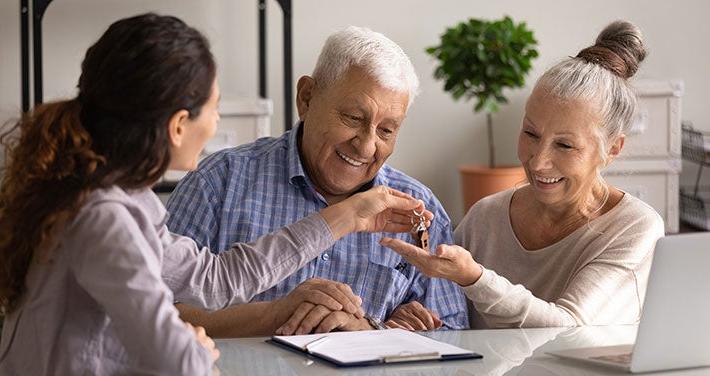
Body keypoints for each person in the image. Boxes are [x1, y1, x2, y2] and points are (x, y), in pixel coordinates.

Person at [0, 14, 434, 375]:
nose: (217, 122)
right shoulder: (106, 217)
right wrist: (196, 347)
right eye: (216, 106)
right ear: (178, 125)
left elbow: (217, 278)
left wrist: (349, 217)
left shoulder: (127, 202)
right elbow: (173, 356)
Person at [166, 26, 469, 336]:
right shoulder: (218, 182)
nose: (365, 146)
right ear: (306, 98)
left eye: (386, 131)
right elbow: (150, 318)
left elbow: (458, 341)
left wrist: (371, 331)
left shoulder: (420, 210)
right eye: (353, 118)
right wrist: (271, 315)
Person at [382, 20, 665, 329]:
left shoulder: (635, 228)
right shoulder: (485, 218)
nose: (539, 161)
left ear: (612, 149)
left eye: (565, 145)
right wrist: (413, 314)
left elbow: (568, 329)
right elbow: (446, 315)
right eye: (531, 133)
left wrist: (474, 277)